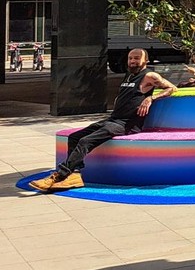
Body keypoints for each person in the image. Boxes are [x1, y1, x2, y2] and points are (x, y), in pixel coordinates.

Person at [29, 49, 176, 192]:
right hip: (113, 119)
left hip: (126, 125)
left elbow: (171, 88)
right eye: (130, 58)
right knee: (74, 137)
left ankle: (61, 174)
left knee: (85, 142)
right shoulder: (129, 75)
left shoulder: (149, 75)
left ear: (146, 61)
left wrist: (151, 98)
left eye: (137, 58)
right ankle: (74, 176)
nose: (132, 61)